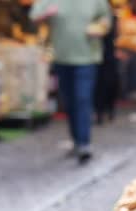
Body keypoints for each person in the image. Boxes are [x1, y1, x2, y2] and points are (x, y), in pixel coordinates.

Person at [31, 0, 111, 164]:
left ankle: (84, 144)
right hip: (62, 57)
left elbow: (106, 18)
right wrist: (46, 15)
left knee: (83, 99)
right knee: (69, 102)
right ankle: (76, 140)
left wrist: (100, 27)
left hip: (87, 58)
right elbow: (34, 16)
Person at [96, 8, 119, 123]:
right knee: (100, 85)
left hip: (107, 56)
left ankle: (108, 110)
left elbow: (113, 36)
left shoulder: (111, 18)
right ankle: (100, 112)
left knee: (108, 84)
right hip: (97, 56)